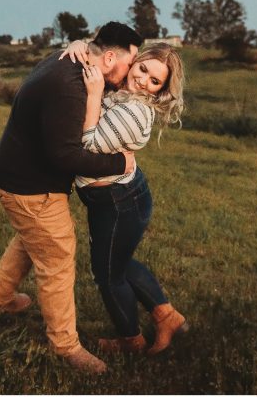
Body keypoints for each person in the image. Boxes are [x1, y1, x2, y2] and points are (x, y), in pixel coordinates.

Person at [0, 22, 143, 376]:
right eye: (130, 66)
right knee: (58, 256)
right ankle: (66, 346)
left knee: (30, 240)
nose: (129, 75)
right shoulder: (70, 86)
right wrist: (121, 161)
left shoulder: (67, 59)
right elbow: (65, 156)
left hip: (19, 178)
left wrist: (80, 41)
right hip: (30, 186)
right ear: (110, 57)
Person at [63, 40, 187, 356]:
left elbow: (87, 147)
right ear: (135, 61)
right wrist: (81, 44)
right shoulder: (124, 94)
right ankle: (166, 317)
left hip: (120, 203)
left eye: (155, 81)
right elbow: (104, 49)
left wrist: (93, 94)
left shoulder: (135, 111)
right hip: (117, 199)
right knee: (118, 263)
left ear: (161, 90)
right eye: (143, 69)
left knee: (108, 275)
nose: (143, 81)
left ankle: (131, 340)